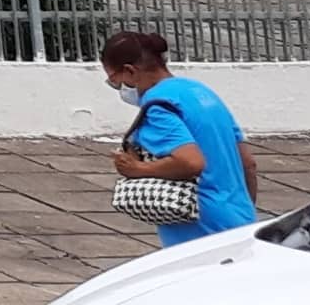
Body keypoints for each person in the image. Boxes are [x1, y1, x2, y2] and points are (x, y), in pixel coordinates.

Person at [105, 28, 259, 244]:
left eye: (114, 80)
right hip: (240, 219)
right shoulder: (200, 92)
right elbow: (248, 163)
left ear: (130, 72)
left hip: (199, 226)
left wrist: (138, 169)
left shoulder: (158, 107)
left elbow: (190, 162)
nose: (118, 88)